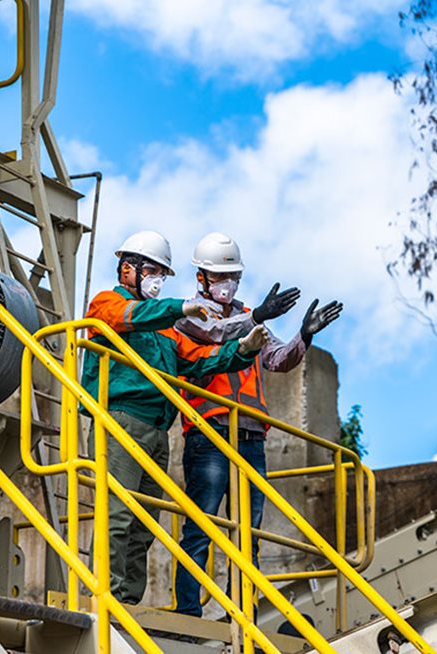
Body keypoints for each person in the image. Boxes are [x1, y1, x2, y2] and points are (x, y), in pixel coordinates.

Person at [81, 230, 269, 604]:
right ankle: (107, 598)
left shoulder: (166, 328)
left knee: (144, 520)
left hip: (156, 429)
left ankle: (129, 599)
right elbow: (132, 316)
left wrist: (243, 350)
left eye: (162, 273)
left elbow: (199, 360)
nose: (156, 279)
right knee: (117, 513)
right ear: (127, 269)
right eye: (150, 270)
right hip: (120, 420)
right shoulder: (108, 303)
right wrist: (180, 307)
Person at [172, 231, 342, 618]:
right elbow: (213, 332)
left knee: (249, 534)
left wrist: (304, 335)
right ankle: (187, 614)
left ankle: (240, 615)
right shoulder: (190, 315)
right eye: (219, 277)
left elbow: (277, 359)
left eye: (233, 276)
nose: (227, 285)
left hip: (249, 435)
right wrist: (256, 317)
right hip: (209, 431)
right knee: (201, 528)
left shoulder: (250, 315)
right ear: (202, 278)